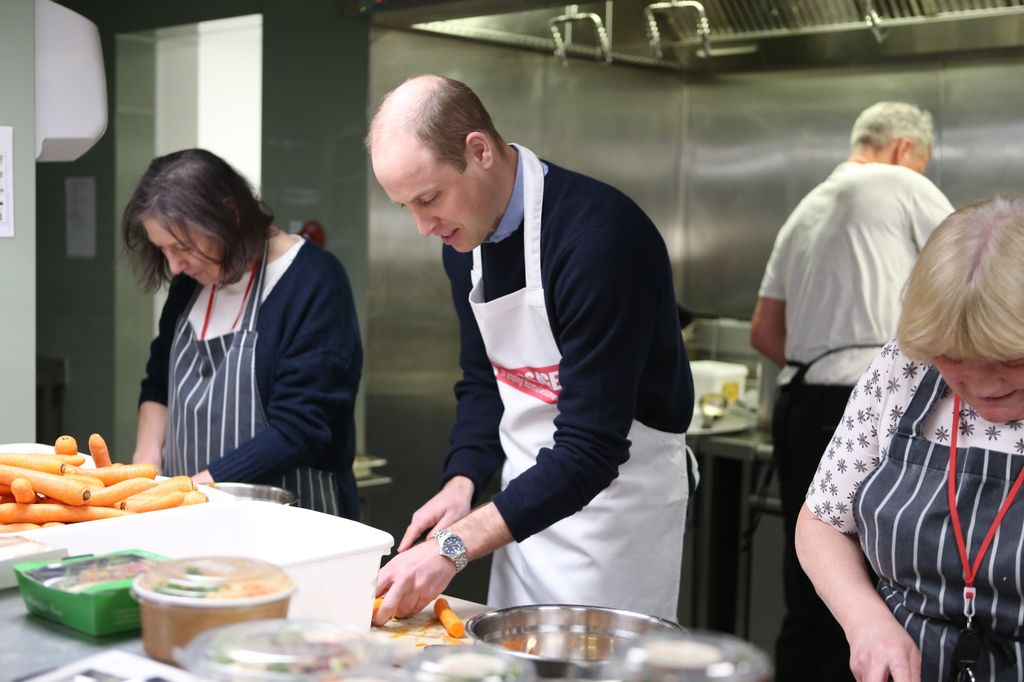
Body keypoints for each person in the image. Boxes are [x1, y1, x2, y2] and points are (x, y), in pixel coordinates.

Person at [366, 74, 696, 624]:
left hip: (613, 524)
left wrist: (453, 547)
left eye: (429, 199)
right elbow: (483, 381)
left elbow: (592, 450)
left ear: (479, 151)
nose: (424, 226)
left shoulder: (599, 241)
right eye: (407, 208)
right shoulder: (463, 241)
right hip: (517, 520)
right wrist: (462, 481)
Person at [749, 101, 954, 679]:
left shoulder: (807, 206)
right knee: (876, 592)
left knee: (814, 588)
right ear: (902, 150)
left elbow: (765, 332)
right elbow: (974, 275)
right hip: (871, 410)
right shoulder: (901, 183)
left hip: (801, 405)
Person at [797, 195, 1024, 682]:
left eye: (1010, 359)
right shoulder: (903, 369)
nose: (984, 386)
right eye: (955, 359)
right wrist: (867, 624)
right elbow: (822, 521)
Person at [123, 148, 363, 518]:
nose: (174, 265)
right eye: (162, 250)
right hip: (191, 513)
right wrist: (147, 464)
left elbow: (298, 429)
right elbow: (158, 384)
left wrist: (195, 491)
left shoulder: (313, 281)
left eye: (181, 248)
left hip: (292, 522)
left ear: (229, 217)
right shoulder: (191, 282)